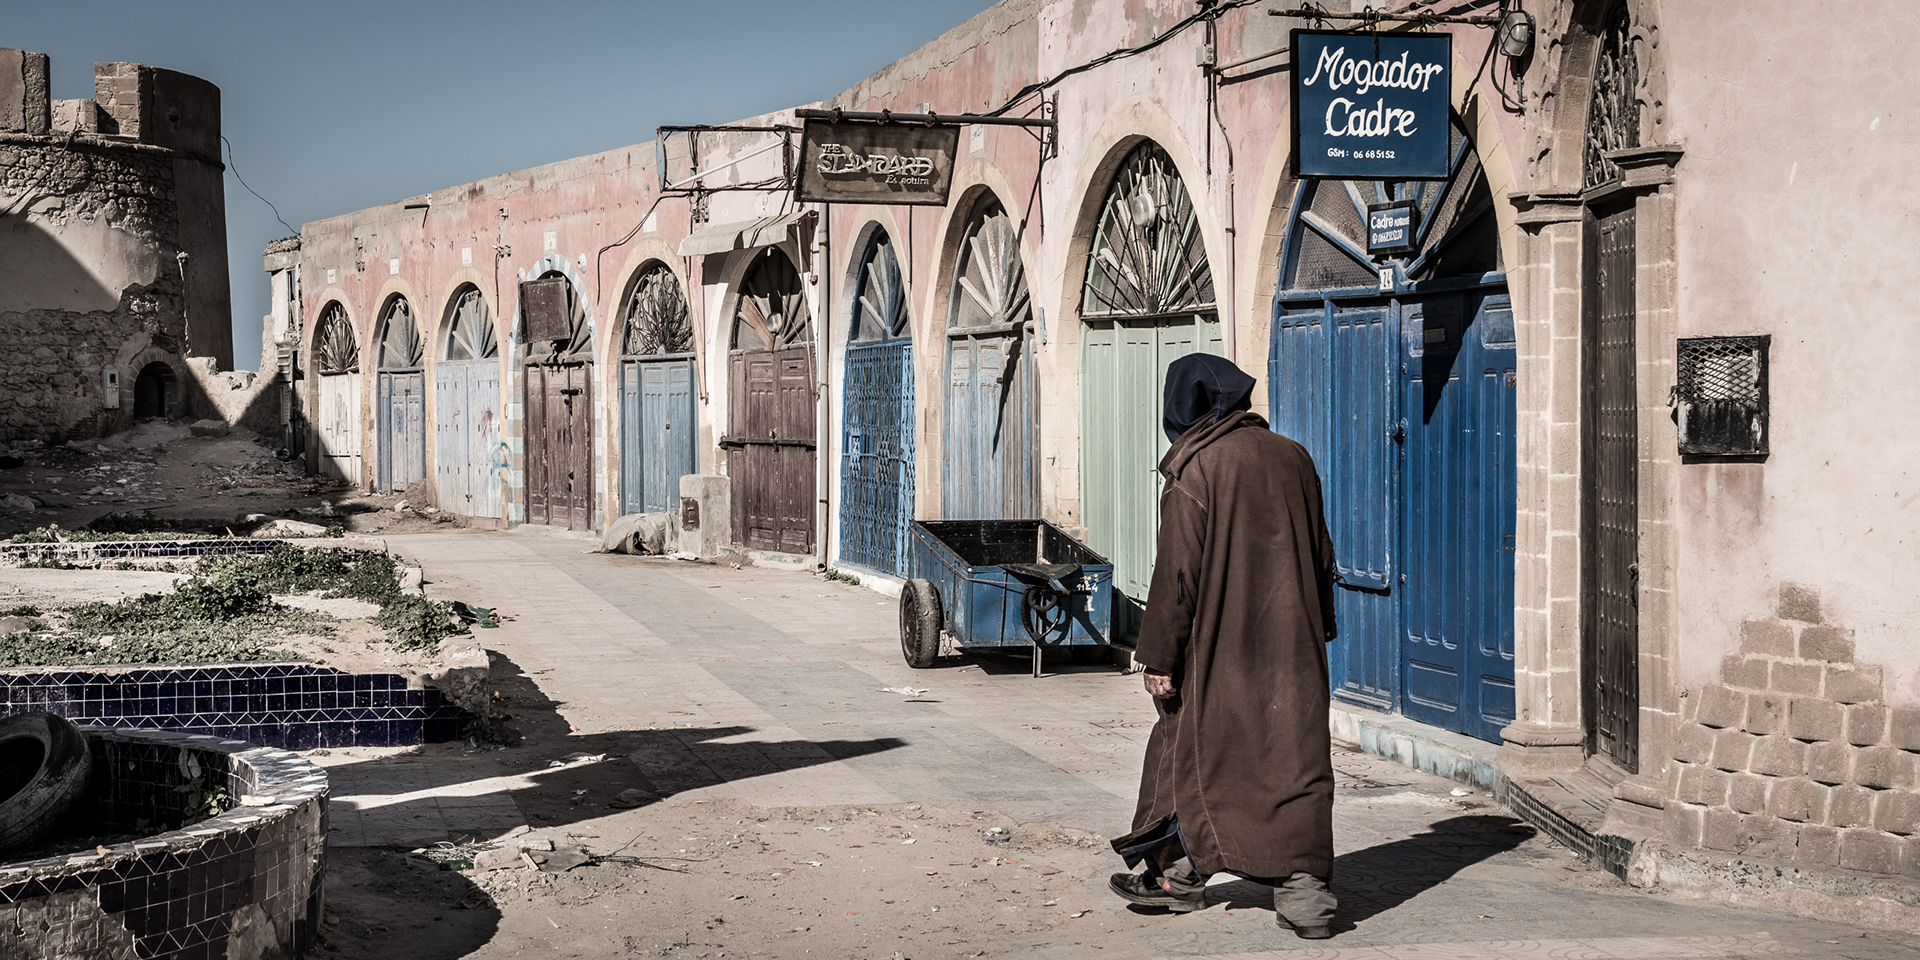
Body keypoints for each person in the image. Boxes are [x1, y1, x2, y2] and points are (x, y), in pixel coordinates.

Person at [1106, 353, 1340, 939]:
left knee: (1190, 752)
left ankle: (1177, 877)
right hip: (1292, 652)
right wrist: (1320, 628)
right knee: (1294, 760)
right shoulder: (1294, 457)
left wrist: (1158, 656)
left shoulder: (1199, 470)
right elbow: (1321, 556)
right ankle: (1305, 893)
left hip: (1218, 655)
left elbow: (1176, 577)